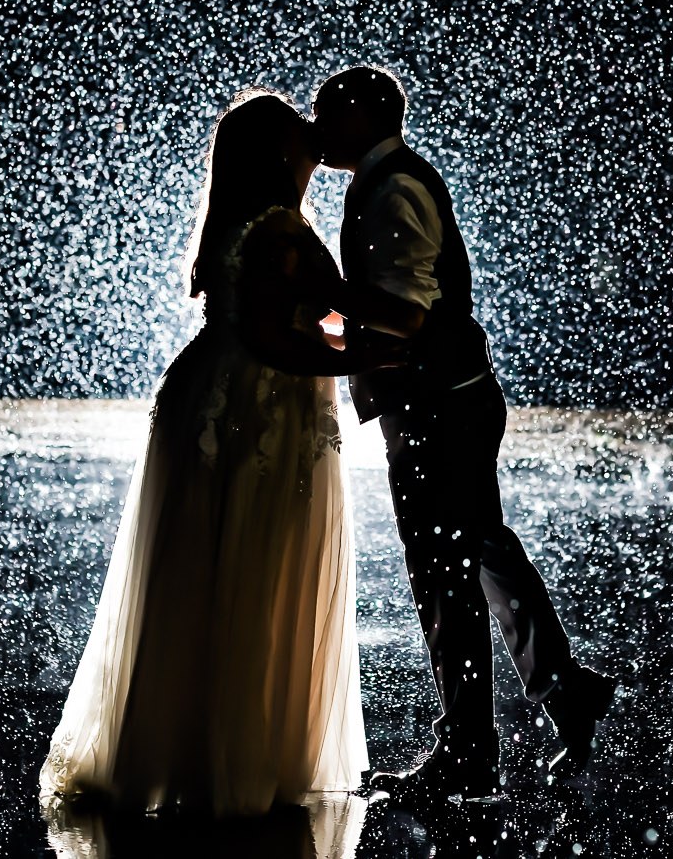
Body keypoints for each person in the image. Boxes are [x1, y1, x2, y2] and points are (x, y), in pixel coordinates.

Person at [39, 92, 395, 817]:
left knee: (213, 573)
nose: (315, 151)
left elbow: (306, 313)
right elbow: (273, 334)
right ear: (279, 156)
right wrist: (371, 354)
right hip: (252, 410)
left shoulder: (256, 224)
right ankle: (233, 759)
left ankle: (205, 745)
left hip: (232, 400)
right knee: (247, 571)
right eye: (302, 140)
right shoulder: (275, 231)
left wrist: (347, 339)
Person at [313, 66, 618, 804]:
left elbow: (411, 314)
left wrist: (318, 295)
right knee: (480, 548)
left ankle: (471, 750)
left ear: (365, 115)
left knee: (444, 576)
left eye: (329, 110)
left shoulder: (395, 187)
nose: (317, 123)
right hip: (450, 400)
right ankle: (563, 691)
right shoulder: (389, 181)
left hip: (437, 409)